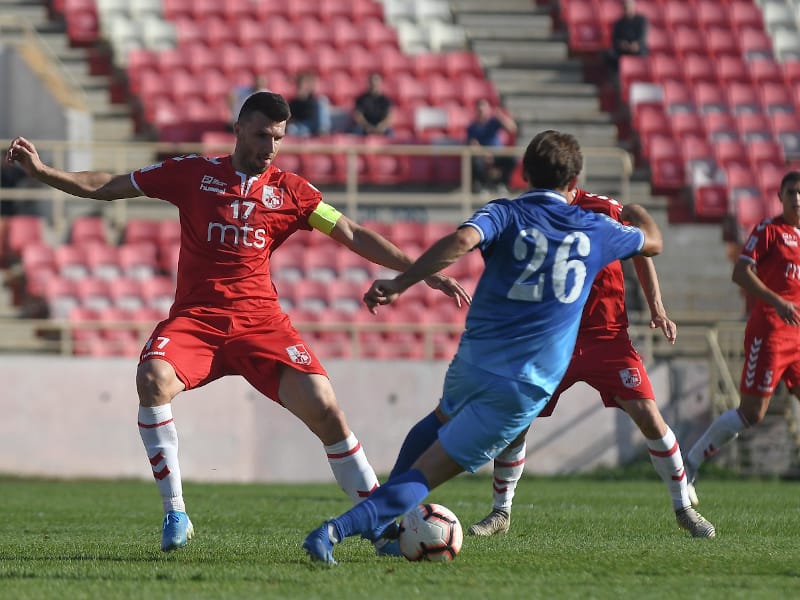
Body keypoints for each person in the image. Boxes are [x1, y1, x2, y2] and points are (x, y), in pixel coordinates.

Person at [5, 92, 469, 554]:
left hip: (260, 325)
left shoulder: (292, 191)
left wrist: (420, 273)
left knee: (326, 408)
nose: (271, 146)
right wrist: (45, 173)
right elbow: (108, 184)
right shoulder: (193, 173)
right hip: (197, 322)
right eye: (264, 134)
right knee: (152, 379)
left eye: (280, 138)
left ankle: (381, 527)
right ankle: (176, 514)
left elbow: (351, 233)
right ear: (239, 128)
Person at [302, 129, 664, 564]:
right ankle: (333, 532)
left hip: (475, 359)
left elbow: (460, 243)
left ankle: (381, 525)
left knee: (438, 420)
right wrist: (636, 211)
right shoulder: (597, 228)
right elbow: (652, 242)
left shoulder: (503, 211)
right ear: (575, 181)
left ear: (525, 172)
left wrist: (401, 283)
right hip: (524, 384)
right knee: (429, 473)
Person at [466, 188, 715, 539]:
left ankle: (684, 509)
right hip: (553, 337)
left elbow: (642, 248)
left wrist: (657, 307)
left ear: (570, 178)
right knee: (517, 420)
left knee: (649, 416)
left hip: (607, 337)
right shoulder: (530, 212)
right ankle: (500, 512)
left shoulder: (604, 208)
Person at [685, 171, 800, 503]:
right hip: (770, 330)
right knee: (752, 413)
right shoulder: (770, 230)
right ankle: (690, 463)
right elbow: (740, 272)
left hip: (796, 335)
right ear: (780, 197)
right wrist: (777, 301)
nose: (796, 198)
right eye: (791, 192)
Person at [466, 99, 518, 194]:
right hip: (482, 156)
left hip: (497, 154)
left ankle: (502, 184)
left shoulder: (494, 122)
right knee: (475, 162)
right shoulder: (472, 127)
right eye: (480, 110)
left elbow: (512, 128)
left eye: (484, 109)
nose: (482, 112)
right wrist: (485, 154)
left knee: (512, 159)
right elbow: (473, 145)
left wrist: (500, 116)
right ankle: (483, 186)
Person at [604, 0, 648, 73]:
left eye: (629, 7)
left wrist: (636, 44)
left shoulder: (641, 21)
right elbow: (615, 40)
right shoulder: (618, 23)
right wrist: (622, 44)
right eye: (625, 7)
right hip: (622, 51)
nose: (627, 9)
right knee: (608, 55)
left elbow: (642, 37)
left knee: (643, 54)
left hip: (637, 51)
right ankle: (616, 80)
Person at [287, 71, 332, 137]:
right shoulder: (293, 102)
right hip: (303, 126)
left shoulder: (314, 100)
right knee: (292, 129)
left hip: (316, 124)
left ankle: (323, 131)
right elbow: (291, 118)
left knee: (322, 101)